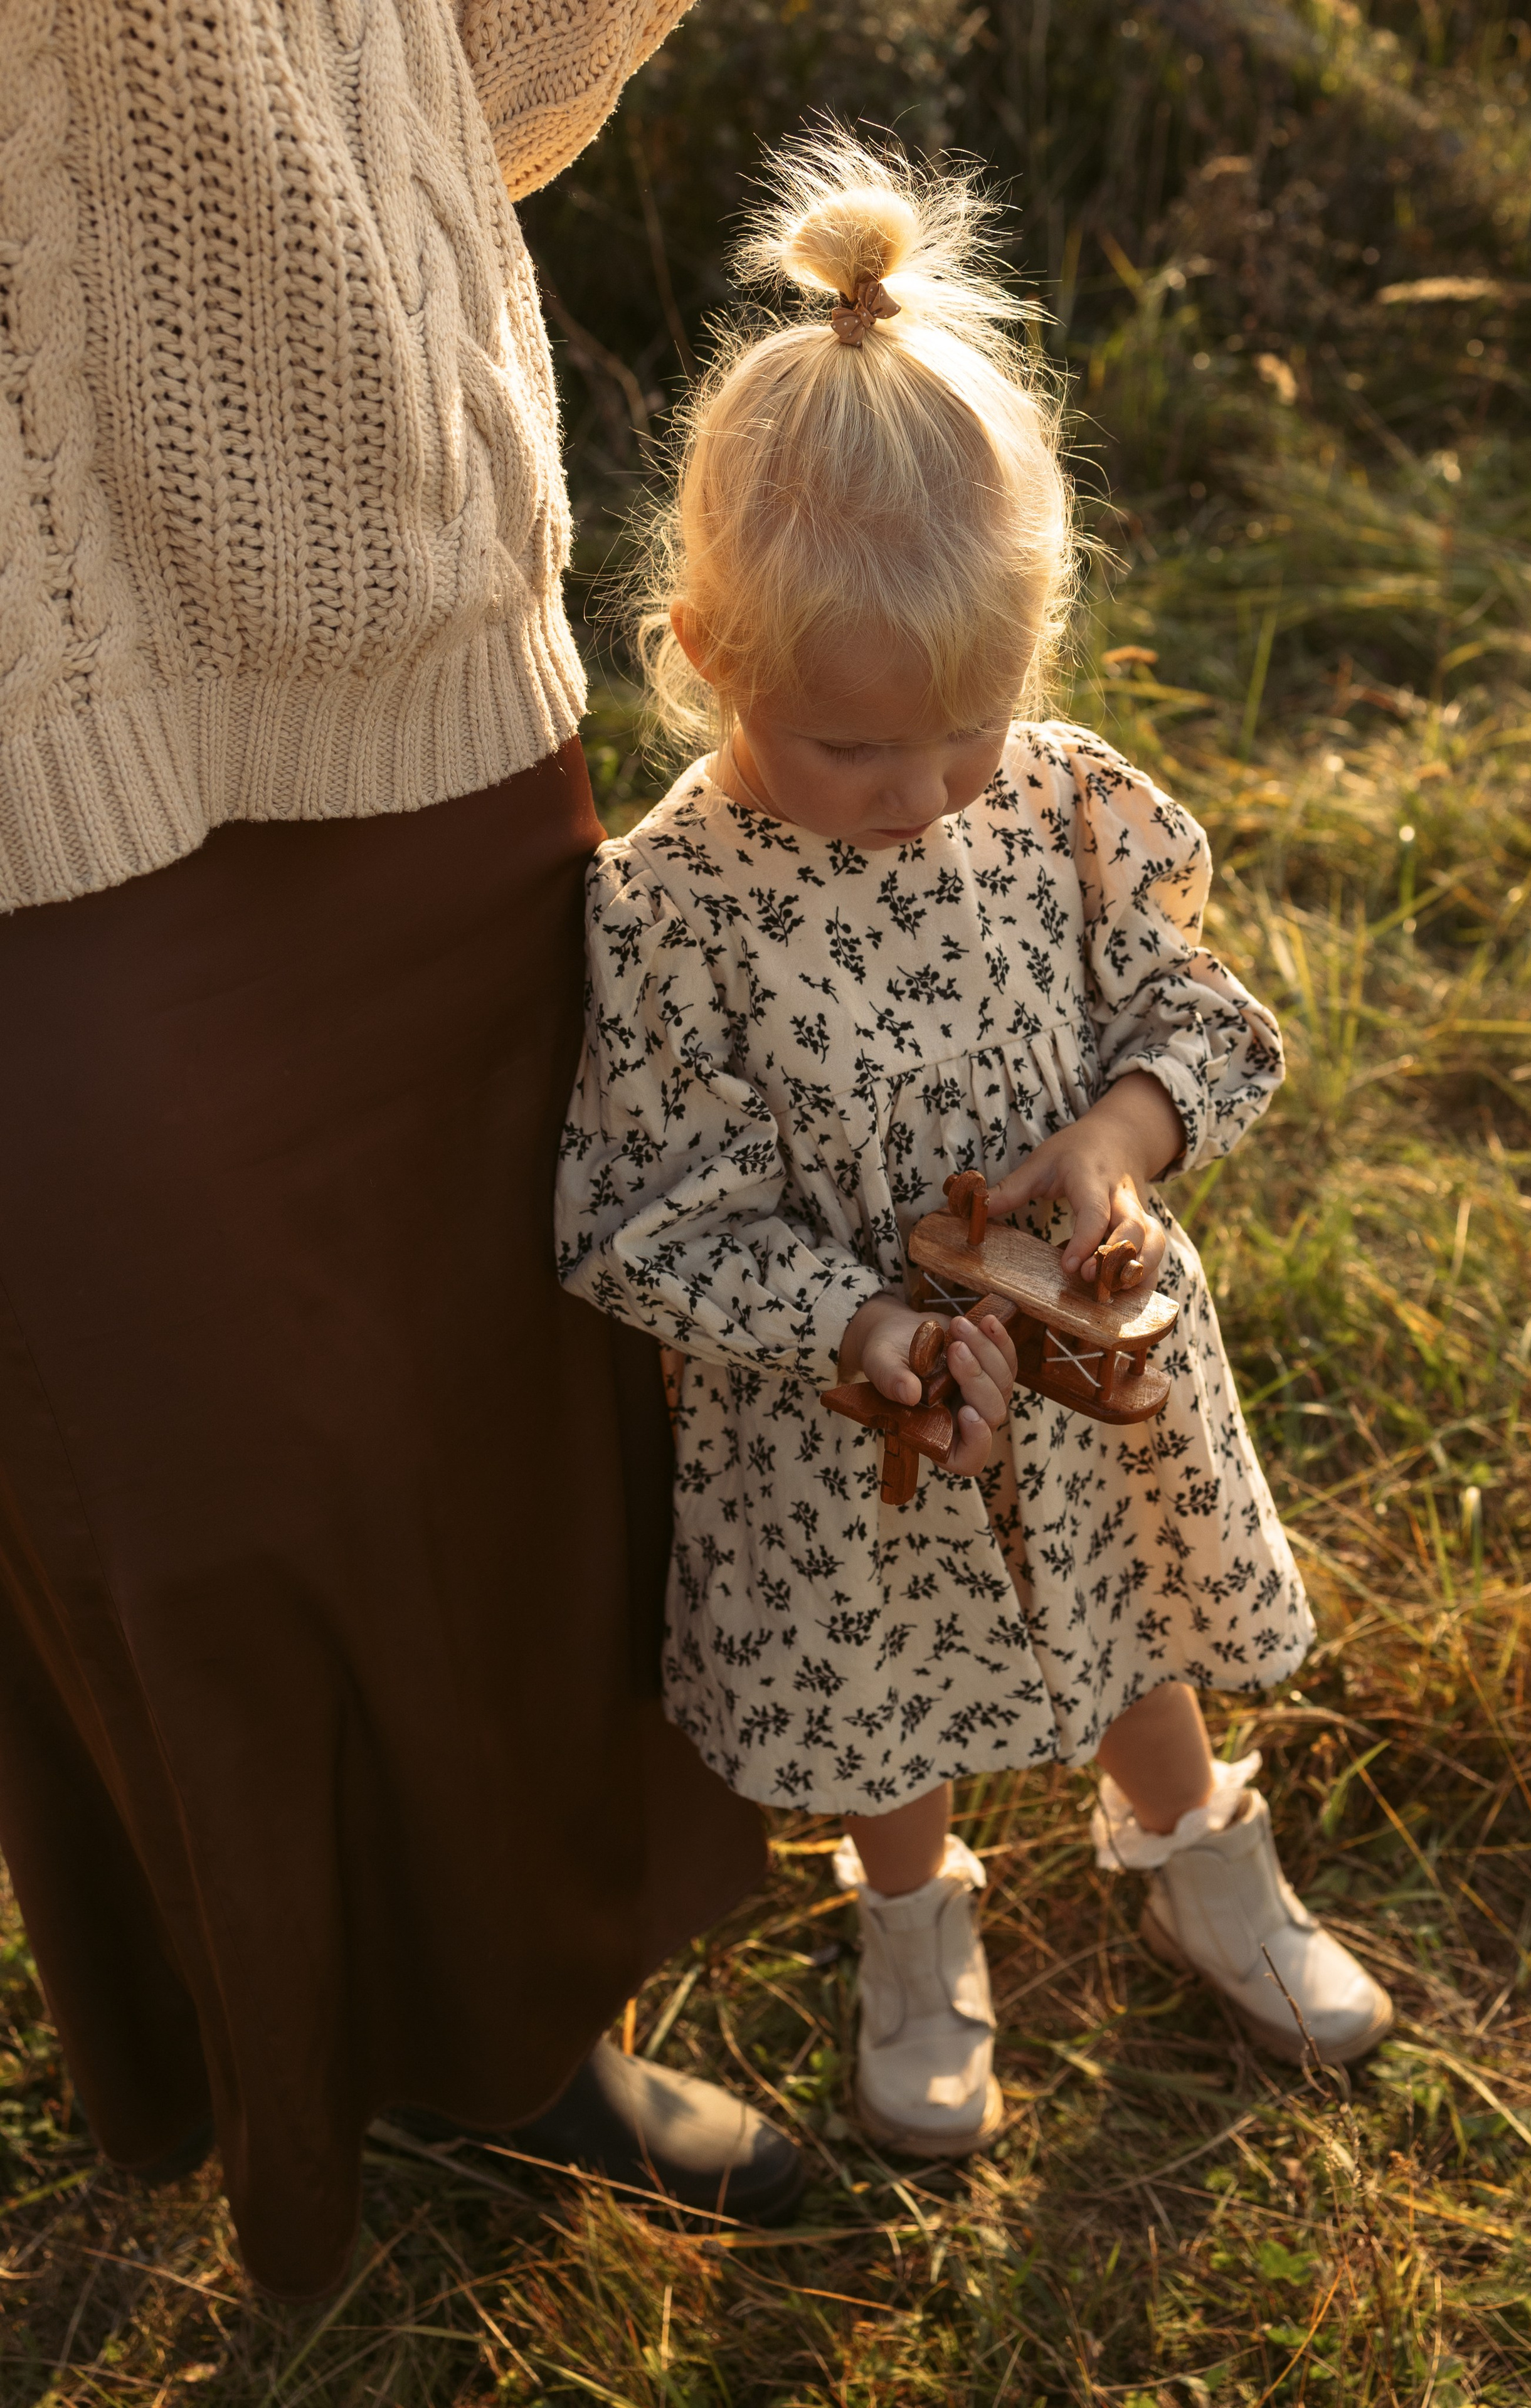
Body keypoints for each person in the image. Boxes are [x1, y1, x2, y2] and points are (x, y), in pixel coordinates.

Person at [0, 0, 803, 2303]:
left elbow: (479, 51)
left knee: (500, 1389)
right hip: (31, 676)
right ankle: (251, 2062)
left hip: (407, 571)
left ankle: (520, 2027)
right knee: (176, 1466)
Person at [555, 133, 1395, 2160]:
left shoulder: (1059, 806)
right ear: (700, 651)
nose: (928, 794)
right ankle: (915, 1929)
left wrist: (1111, 1148)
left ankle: (1195, 1852)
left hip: (1087, 1360)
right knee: (883, 1686)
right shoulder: (677, 906)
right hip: (854, 1412)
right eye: (854, 747)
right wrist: (858, 1327)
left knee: (1126, 1608)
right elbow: (641, 1207)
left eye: (970, 730)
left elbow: (1201, 1015)